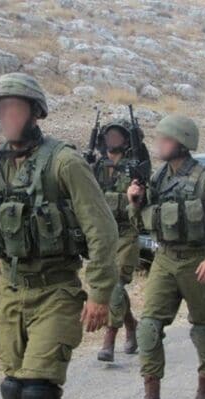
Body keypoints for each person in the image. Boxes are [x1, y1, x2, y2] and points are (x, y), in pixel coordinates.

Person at [0, 73, 117, 399]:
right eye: (2, 109)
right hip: (11, 293)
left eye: (16, 108)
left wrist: (99, 293)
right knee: (13, 389)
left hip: (56, 291)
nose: (8, 116)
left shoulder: (64, 162)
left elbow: (102, 230)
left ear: (36, 112)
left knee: (38, 393)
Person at [127, 115, 205, 399]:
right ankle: (151, 395)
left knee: (203, 329)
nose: (159, 144)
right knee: (148, 328)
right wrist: (135, 202)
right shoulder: (158, 179)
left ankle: (204, 389)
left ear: (183, 143)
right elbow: (140, 221)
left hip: (198, 260)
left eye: (166, 139)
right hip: (164, 258)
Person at [89, 119, 148, 363]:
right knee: (115, 288)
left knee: (116, 285)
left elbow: (143, 200)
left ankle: (109, 339)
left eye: (118, 135)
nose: (113, 139)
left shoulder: (135, 167)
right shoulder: (96, 166)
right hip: (103, 235)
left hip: (126, 232)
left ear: (125, 140)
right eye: (109, 135)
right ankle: (131, 324)